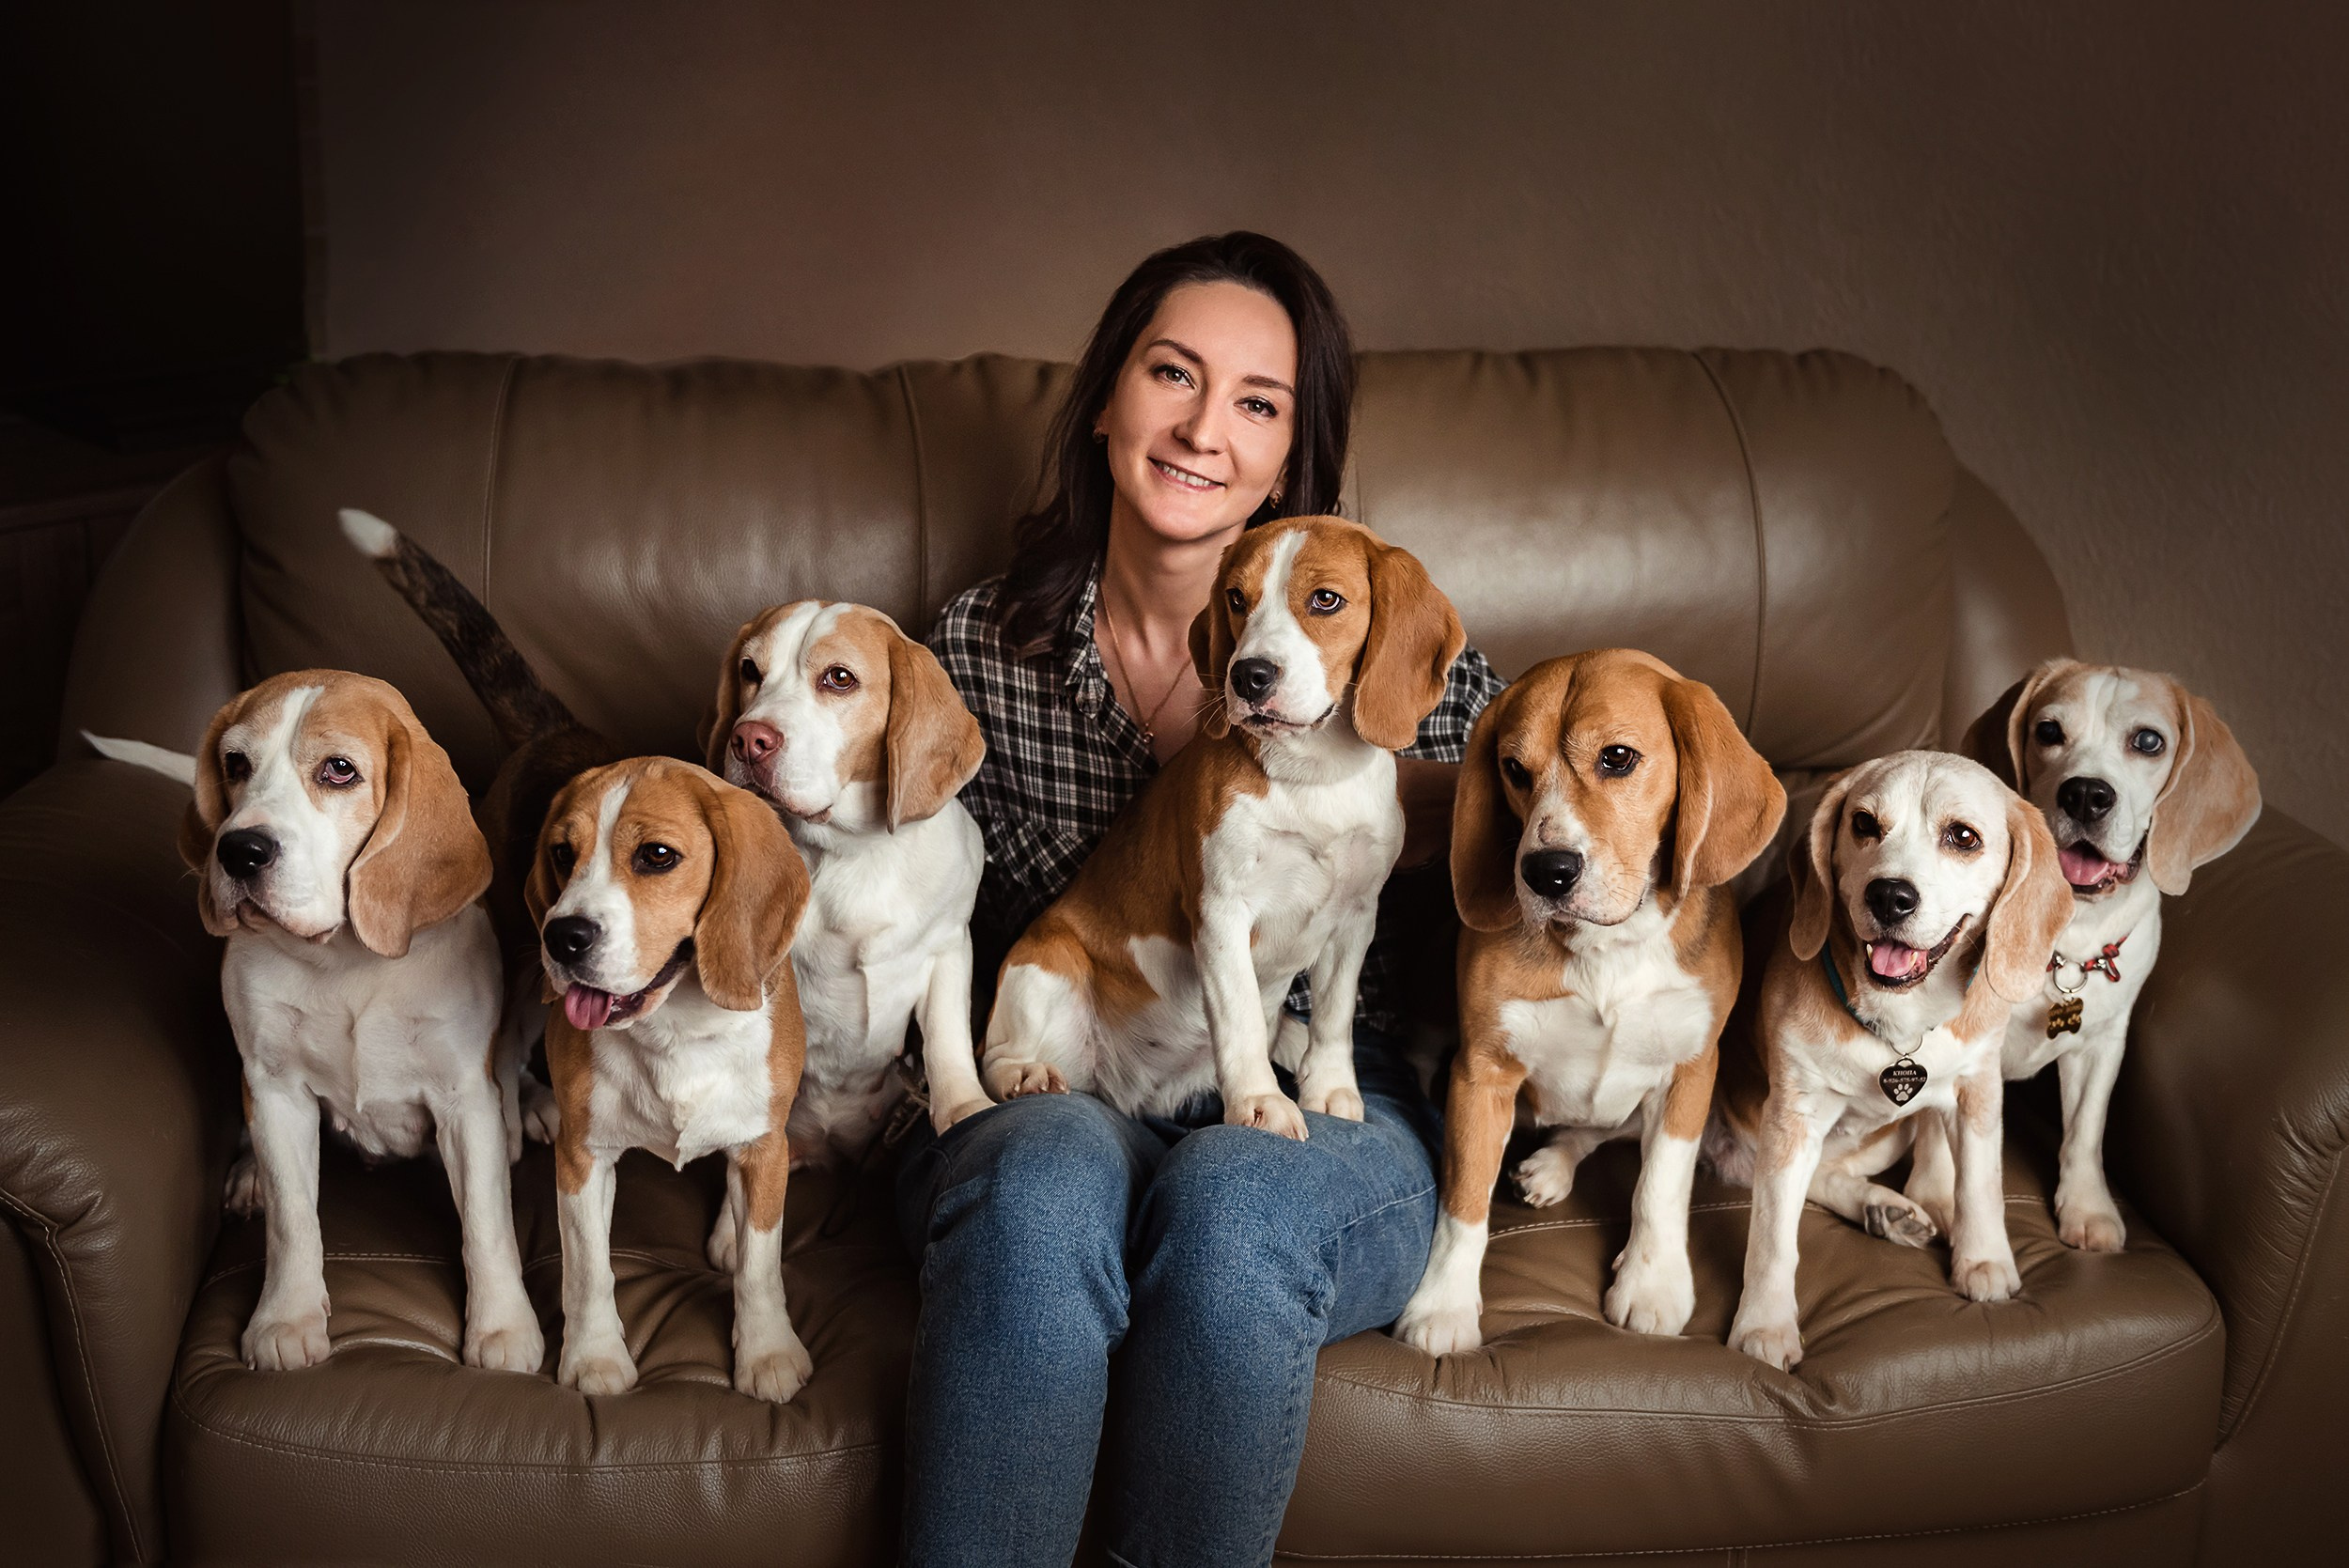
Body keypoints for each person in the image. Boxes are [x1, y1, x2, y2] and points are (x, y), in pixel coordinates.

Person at [902, 231, 1503, 1567]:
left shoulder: (1394, 627)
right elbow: (883, 898)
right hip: (1076, 1067)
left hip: (1340, 1086)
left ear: (1288, 454)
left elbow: (1570, 818)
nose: (1202, 428)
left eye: (1257, 401)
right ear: (1106, 400)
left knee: (1237, 1212)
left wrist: (1403, 798)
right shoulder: (975, 653)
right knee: (1037, 1190)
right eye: (1172, 374)